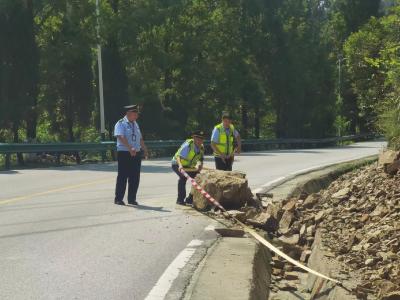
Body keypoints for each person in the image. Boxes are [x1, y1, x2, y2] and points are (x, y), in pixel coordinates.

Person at [114, 104, 149, 206]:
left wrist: (145, 149)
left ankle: (132, 199)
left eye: (137, 114)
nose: (137, 116)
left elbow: (140, 138)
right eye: (135, 114)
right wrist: (130, 148)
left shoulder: (135, 124)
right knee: (123, 176)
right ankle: (118, 198)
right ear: (129, 113)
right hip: (124, 153)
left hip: (136, 153)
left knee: (135, 177)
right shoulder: (121, 123)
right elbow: (120, 136)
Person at [171, 131, 205, 206]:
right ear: (194, 138)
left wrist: (200, 165)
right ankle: (180, 200)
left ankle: (190, 198)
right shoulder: (188, 145)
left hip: (189, 166)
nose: (200, 141)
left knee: (199, 178)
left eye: (201, 139)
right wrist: (180, 166)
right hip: (177, 163)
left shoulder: (201, 147)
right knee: (183, 177)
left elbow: (201, 158)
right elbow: (178, 157)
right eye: (198, 139)